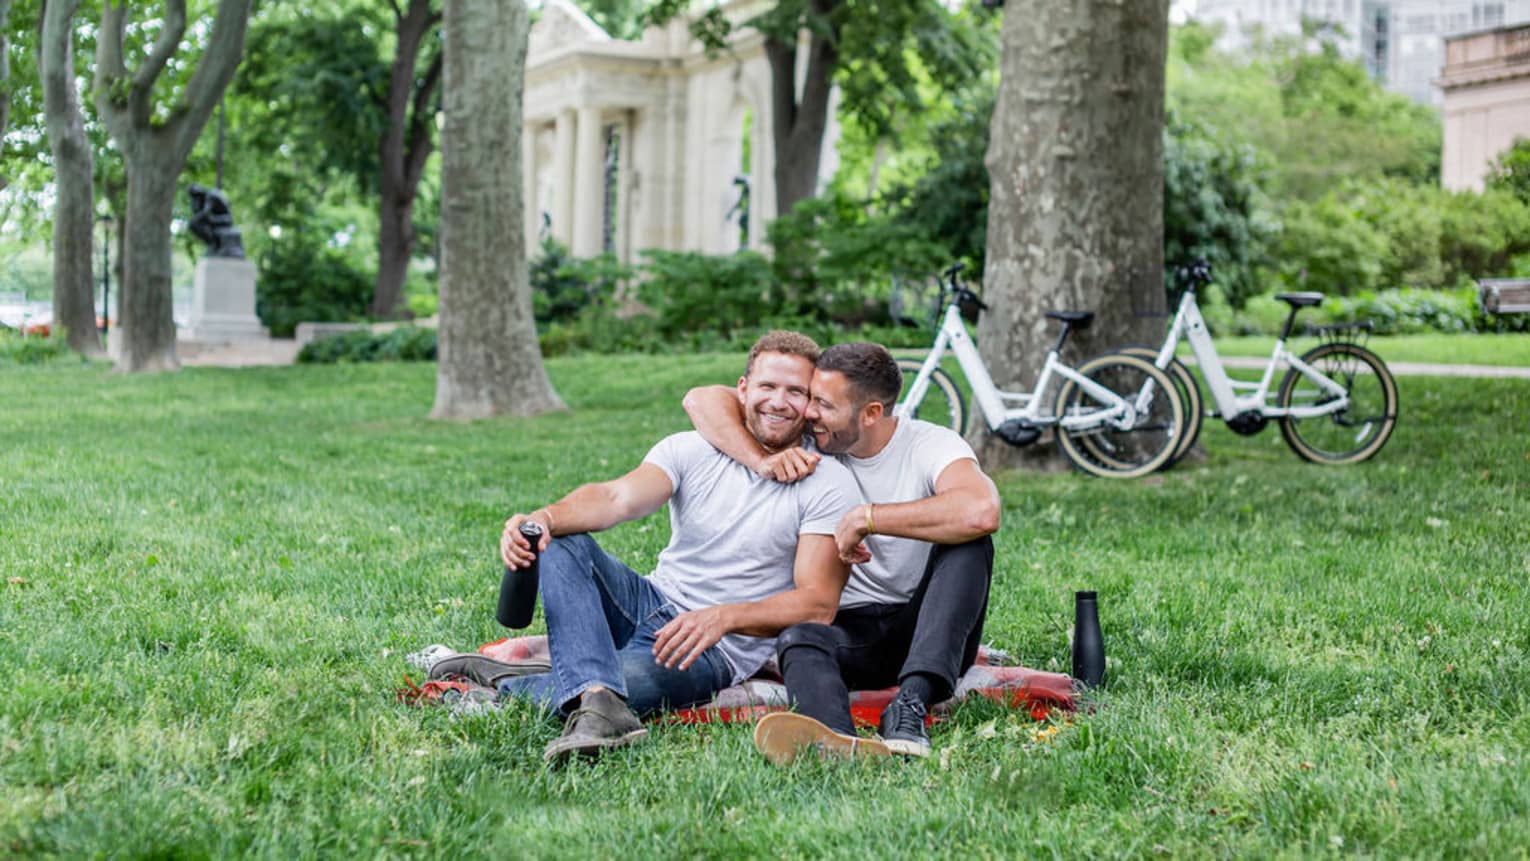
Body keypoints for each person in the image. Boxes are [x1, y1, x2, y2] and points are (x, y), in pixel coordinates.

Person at [433, 331, 865, 764]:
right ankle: (598, 697)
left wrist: (724, 617)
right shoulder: (692, 448)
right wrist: (542, 518)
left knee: (631, 686)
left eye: (796, 392)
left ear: (811, 405)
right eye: (768, 386)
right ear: (743, 389)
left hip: (713, 649)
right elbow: (615, 497)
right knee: (562, 540)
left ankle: (516, 686)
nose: (778, 401)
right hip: (649, 602)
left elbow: (817, 604)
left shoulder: (826, 482)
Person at [682, 342, 1000, 762]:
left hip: (924, 626)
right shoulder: (814, 442)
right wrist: (761, 460)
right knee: (798, 637)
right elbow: (700, 399)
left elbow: (980, 510)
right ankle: (836, 740)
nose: (808, 412)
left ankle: (910, 706)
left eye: (823, 404)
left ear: (870, 413)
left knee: (970, 545)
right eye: (810, 398)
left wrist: (867, 517)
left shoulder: (929, 444)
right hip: (849, 632)